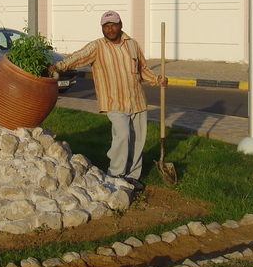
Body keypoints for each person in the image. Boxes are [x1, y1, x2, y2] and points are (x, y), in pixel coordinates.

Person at [48, 11, 168, 191]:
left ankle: (132, 176)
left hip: (137, 100)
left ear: (121, 25)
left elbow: (142, 70)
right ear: (102, 28)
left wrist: (158, 79)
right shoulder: (97, 46)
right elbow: (78, 57)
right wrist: (58, 66)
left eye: (113, 25)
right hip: (113, 101)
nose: (110, 29)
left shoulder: (133, 45)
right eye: (106, 26)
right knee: (122, 135)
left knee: (137, 139)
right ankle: (116, 174)